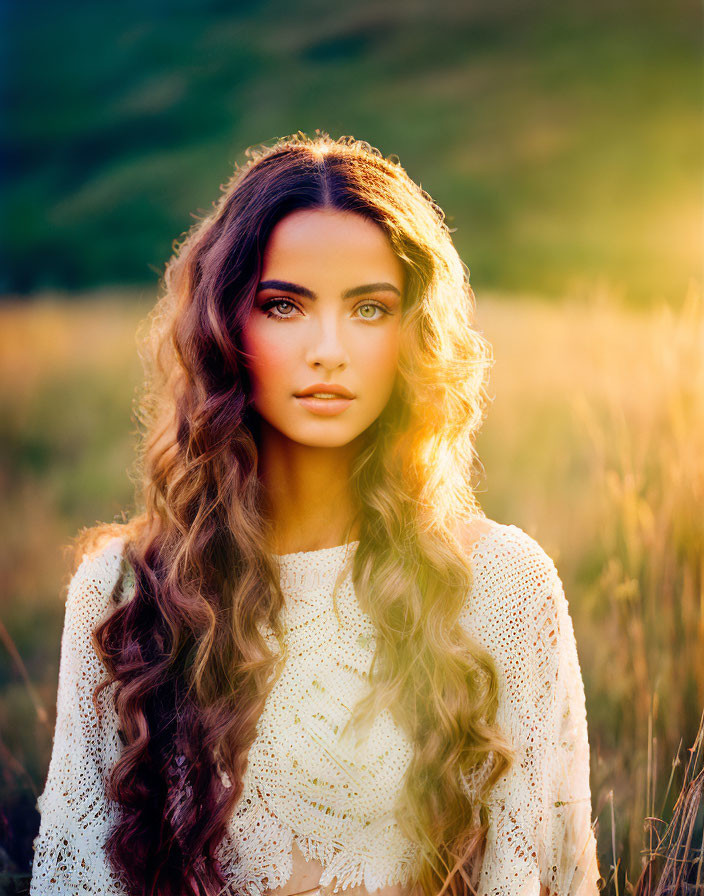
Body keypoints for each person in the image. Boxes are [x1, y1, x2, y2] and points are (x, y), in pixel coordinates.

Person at [29, 132, 602, 896]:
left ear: (412, 334)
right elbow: (77, 875)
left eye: (369, 307)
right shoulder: (121, 593)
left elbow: (547, 871)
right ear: (226, 326)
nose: (328, 349)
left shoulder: (501, 585)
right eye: (284, 306)